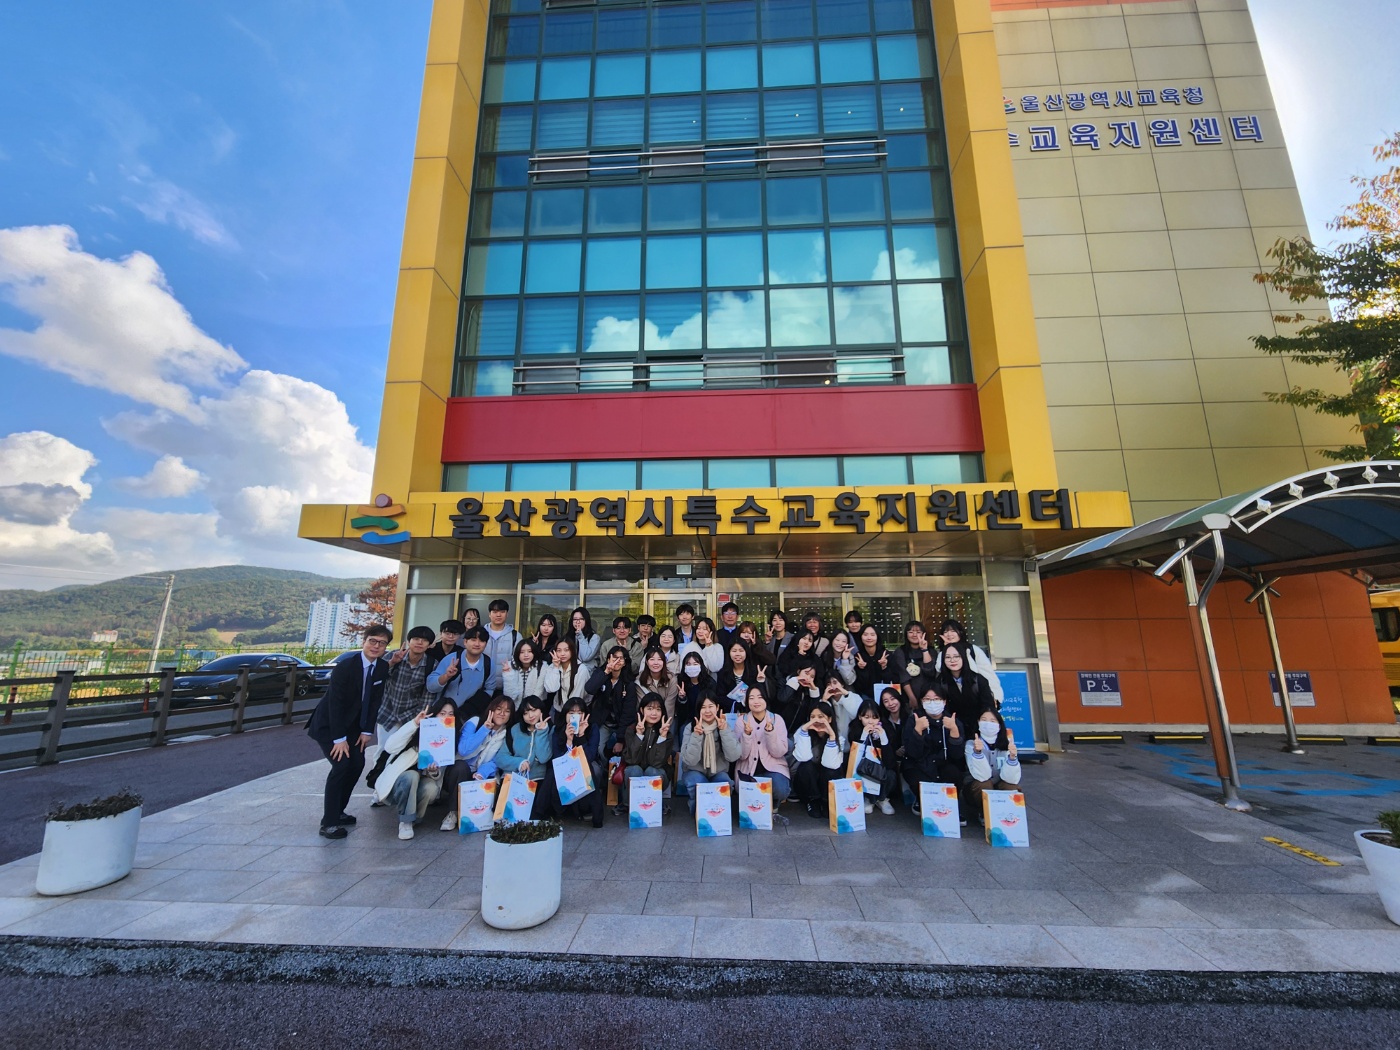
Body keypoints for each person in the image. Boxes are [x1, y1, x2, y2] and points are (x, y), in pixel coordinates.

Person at [305, 625, 391, 839]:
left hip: (355, 727)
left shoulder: (382, 667)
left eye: (382, 643)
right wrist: (339, 739)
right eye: (372, 641)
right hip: (329, 726)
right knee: (341, 766)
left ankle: (339, 811)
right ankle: (329, 823)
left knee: (357, 765)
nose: (376, 646)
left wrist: (367, 730)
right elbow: (335, 704)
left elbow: (375, 702)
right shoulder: (345, 667)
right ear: (364, 641)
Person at [365, 624, 436, 800]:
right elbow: (377, 678)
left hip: (410, 718)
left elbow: (428, 696)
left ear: (430, 645)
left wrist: (417, 720)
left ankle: (394, 789)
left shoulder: (431, 665)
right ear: (408, 641)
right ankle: (378, 791)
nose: (419, 643)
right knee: (383, 751)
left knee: (401, 754)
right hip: (387, 713)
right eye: (416, 639)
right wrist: (392, 663)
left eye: (424, 640)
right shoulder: (394, 656)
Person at [373, 697, 455, 840]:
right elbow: (390, 747)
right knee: (411, 775)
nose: (446, 717)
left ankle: (415, 818)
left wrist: (433, 771)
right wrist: (414, 724)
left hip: (419, 786)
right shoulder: (417, 730)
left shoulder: (448, 739)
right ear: (434, 713)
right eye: (442, 713)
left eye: (450, 714)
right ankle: (405, 822)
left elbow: (438, 777)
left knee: (430, 787)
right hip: (397, 784)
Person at [440, 694, 513, 830]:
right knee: (461, 767)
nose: (502, 713)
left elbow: (498, 760)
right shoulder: (474, 722)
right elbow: (463, 750)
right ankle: (453, 813)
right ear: (491, 709)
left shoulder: (506, 733)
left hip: (480, 773)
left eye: (507, 711)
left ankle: (479, 817)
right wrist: (484, 729)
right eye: (499, 709)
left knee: (493, 780)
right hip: (458, 772)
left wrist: (482, 773)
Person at [904, 687, 965, 815]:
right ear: (922, 701)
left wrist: (954, 731)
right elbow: (912, 753)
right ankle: (920, 800)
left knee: (954, 774)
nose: (932, 703)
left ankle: (952, 805)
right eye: (927, 699)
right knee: (915, 777)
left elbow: (957, 755)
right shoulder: (915, 719)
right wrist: (918, 731)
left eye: (936, 699)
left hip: (944, 764)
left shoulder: (952, 721)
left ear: (944, 701)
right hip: (920, 764)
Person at [679, 695, 741, 813]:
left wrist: (724, 731)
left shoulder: (724, 725)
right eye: (703, 707)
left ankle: (715, 811)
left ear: (717, 708)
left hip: (718, 771)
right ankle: (696, 808)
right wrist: (696, 736)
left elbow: (733, 756)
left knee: (725, 784)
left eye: (711, 706)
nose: (707, 711)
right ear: (698, 710)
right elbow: (689, 760)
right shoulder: (690, 727)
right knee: (698, 784)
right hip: (694, 770)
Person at [551, 697, 605, 827]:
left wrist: (581, 736)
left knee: (593, 769)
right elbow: (558, 757)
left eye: (579, 713)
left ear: (585, 714)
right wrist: (569, 741)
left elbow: (589, 757)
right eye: (571, 713)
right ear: (565, 715)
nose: (575, 716)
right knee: (552, 773)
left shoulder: (592, 728)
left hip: (588, 763)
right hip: (566, 765)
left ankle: (590, 809)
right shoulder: (558, 729)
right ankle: (561, 809)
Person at [734, 685, 791, 808]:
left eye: (760, 697)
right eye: (751, 698)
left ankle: (773, 806)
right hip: (748, 770)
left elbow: (779, 752)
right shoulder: (741, 721)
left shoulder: (777, 719)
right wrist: (747, 734)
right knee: (748, 796)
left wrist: (770, 732)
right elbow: (742, 755)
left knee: (780, 789)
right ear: (747, 701)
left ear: (766, 699)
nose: (756, 701)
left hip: (773, 769)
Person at [964, 707, 1022, 824]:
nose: (987, 724)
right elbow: (982, 776)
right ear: (978, 723)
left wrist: (1012, 758)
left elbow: (1012, 779)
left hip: (999, 784)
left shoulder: (1007, 745)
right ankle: (984, 813)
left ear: (999, 726)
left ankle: (1006, 814)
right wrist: (978, 753)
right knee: (984, 784)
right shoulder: (971, 744)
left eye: (992, 721)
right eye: (983, 720)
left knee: (1011, 786)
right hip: (976, 788)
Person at [620, 692, 673, 815]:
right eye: (649, 708)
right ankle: (629, 804)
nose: (654, 713)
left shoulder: (667, 734)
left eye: (658, 709)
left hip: (657, 773)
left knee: (652, 771)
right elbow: (631, 760)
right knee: (634, 770)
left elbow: (656, 763)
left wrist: (662, 737)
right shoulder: (631, 730)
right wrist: (639, 735)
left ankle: (655, 804)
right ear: (641, 710)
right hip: (635, 772)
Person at [790, 700, 844, 819]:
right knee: (806, 767)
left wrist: (831, 737)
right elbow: (803, 757)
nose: (816, 720)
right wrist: (804, 730)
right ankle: (813, 801)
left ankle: (825, 802)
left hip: (826, 781)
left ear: (830, 719)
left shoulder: (838, 737)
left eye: (821, 717)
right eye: (812, 717)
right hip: (807, 782)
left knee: (830, 771)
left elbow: (831, 764)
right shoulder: (801, 732)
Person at [426, 625, 492, 721]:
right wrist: (446, 676)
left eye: (481, 641)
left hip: (469, 716)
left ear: (486, 644)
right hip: (445, 715)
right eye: (473, 640)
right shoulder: (451, 659)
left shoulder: (489, 663)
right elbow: (431, 686)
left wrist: (472, 707)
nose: (477, 644)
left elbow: (489, 689)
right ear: (465, 642)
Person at [586, 644, 639, 760]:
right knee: (598, 749)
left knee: (621, 752)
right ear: (609, 658)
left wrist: (620, 739)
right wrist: (606, 671)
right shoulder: (601, 673)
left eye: (621, 658)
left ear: (625, 662)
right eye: (614, 657)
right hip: (603, 723)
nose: (617, 661)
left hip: (621, 724)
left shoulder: (629, 684)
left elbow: (628, 712)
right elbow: (589, 689)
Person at [936, 619, 1004, 705]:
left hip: (976, 697)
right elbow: (939, 668)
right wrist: (948, 648)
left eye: (953, 631)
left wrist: (995, 697)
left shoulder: (973, 650)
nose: (949, 634)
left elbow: (987, 674)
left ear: (960, 632)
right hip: (954, 699)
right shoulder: (942, 652)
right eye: (946, 632)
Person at [936, 641, 999, 731]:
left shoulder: (978, 680)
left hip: (978, 728)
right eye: (948, 657)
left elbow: (988, 706)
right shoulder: (940, 682)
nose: (952, 660)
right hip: (952, 729)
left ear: (963, 657)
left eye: (956, 656)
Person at [497, 695, 555, 789]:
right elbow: (500, 758)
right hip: (512, 777)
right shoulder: (515, 729)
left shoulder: (551, 729)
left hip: (536, 779)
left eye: (533, 710)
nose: (530, 716)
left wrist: (542, 732)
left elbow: (543, 758)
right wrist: (519, 762)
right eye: (525, 713)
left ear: (541, 709)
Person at [848, 699, 895, 816]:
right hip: (863, 767)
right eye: (866, 717)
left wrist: (883, 739)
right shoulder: (854, 728)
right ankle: (868, 799)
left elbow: (890, 762)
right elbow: (855, 757)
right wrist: (863, 736)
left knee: (891, 774)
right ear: (860, 717)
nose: (870, 721)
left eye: (875, 717)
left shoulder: (887, 728)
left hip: (880, 767)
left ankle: (882, 799)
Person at [878, 686, 914, 807]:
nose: (890, 703)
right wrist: (894, 752)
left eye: (893, 699)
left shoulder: (910, 717)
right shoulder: (882, 722)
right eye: (886, 701)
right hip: (891, 760)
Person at [891, 620, 937, 708]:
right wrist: (911, 697)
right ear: (906, 634)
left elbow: (930, 671)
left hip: (930, 695)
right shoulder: (900, 651)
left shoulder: (931, 651)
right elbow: (903, 676)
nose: (914, 635)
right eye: (911, 632)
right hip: (908, 696)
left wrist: (924, 650)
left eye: (918, 632)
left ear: (923, 634)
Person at [483, 599, 521, 695]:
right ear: (489, 614)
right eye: (495, 612)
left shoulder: (515, 636)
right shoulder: (480, 633)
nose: (498, 615)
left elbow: (518, 661)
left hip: (505, 687)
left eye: (502, 612)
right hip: (481, 686)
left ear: (507, 614)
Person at [716, 639, 767, 711]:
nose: (737, 654)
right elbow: (720, 697)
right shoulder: (723, 672)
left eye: (741, 650)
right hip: (730, 712)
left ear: (746, 652)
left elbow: (761, 695)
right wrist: (738, 705)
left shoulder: (754, 671)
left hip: (751, 711)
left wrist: (760, 681)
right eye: (734, 651)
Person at [543, 636, 588, 710]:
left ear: (572, 651)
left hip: (576, 709)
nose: (562, 654)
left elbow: (578, 695)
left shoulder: (581, 669)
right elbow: (551, 689)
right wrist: (555, 668)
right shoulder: (552, 666)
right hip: (558, 708)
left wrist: (568, 712)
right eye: (559, 650)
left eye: (566, 650)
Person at [852, 624, 892, 701]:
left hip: (886, 695)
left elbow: (891, 680)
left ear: (877, 637)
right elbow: (859, 686)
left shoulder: (886, 655)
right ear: (861, 637)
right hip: (866, 696)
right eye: (865, 635)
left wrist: (884, 667)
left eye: (872, 635)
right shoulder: (857, 657)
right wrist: (861, 669)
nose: (869, 638)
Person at [501, 637, 545, 706]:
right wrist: (508, 675)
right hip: (514, 707)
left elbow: (538, 693)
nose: (526, 655)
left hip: (534, 707)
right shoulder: (510, 666)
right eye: (522, 652)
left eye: (529, 651)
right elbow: (510, 696)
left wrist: (528, 707)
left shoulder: (542, 667)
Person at [636, 647, 678, 720]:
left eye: (659, 659)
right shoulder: (639, 680)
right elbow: (643, 705)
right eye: (652, 659)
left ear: (664, 662)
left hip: (666, 719)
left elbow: (669, 706)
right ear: (646, 662)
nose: (656, 663)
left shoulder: (672, 679)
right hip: (646, 720)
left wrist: (664, 724)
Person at [570, 607, 601, 672]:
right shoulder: (568, 637)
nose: (577, 622)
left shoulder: (594, 638)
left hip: (588, 673)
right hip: (570, 672)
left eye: (581, 619)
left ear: (586, 621)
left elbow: (585, 657)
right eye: (575, 619)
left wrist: (580, 636)